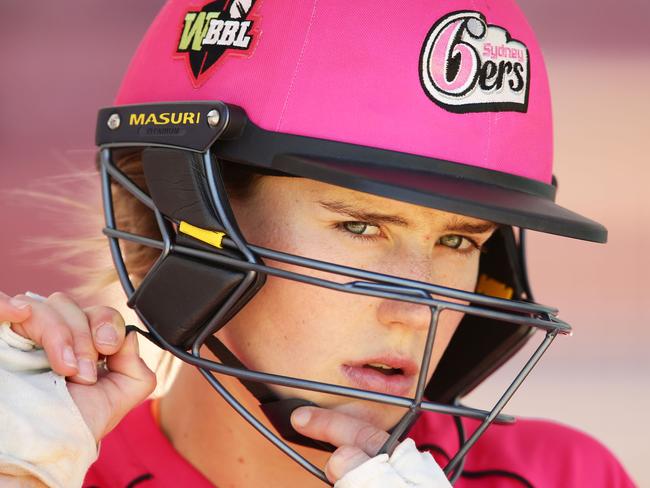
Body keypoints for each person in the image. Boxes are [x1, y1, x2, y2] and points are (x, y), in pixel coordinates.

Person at [0, 0, 637, 486]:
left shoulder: (562, 474)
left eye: (460, 240)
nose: (420, 310)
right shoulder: (56, 469)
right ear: (187, 223)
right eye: (359, 227)